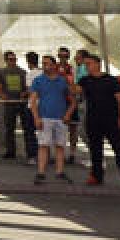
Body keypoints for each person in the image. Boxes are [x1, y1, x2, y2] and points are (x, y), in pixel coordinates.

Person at [77, 55, 120, 189]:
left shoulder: (111, 80)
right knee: (95, 150)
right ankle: (96, 176)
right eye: (85, 64)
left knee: (119, 149)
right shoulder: (84, 80)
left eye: (89, 64)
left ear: (98, 64)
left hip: (111, 120)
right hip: (92, 120)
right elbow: (74, 91)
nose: (87, 67)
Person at [29, 55, 75, 184]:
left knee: (60, 146)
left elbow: (72, 101)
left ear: (55, 65)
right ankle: (40, 173)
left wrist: (68, 114)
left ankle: (59, 172)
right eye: (43, 63)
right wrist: (36, 118)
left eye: (48, 63)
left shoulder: (63, 81)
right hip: (45, 118)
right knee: (43, 146)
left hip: (61, 119)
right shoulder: (38, 80)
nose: (45, 66)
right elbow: (32, 101)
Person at [0, 51, 35, 162]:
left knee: (27, 128)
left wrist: (25, 93)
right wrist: (2, 95)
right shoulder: (2, 73)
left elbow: (28, 87)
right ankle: (10, 151)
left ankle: (30, 152)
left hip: (22, 104)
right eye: (10, 59)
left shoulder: (23, 72)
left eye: (14, 59)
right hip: (9, 104)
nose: (13, 61)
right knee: (9, 128)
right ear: (6, 60)